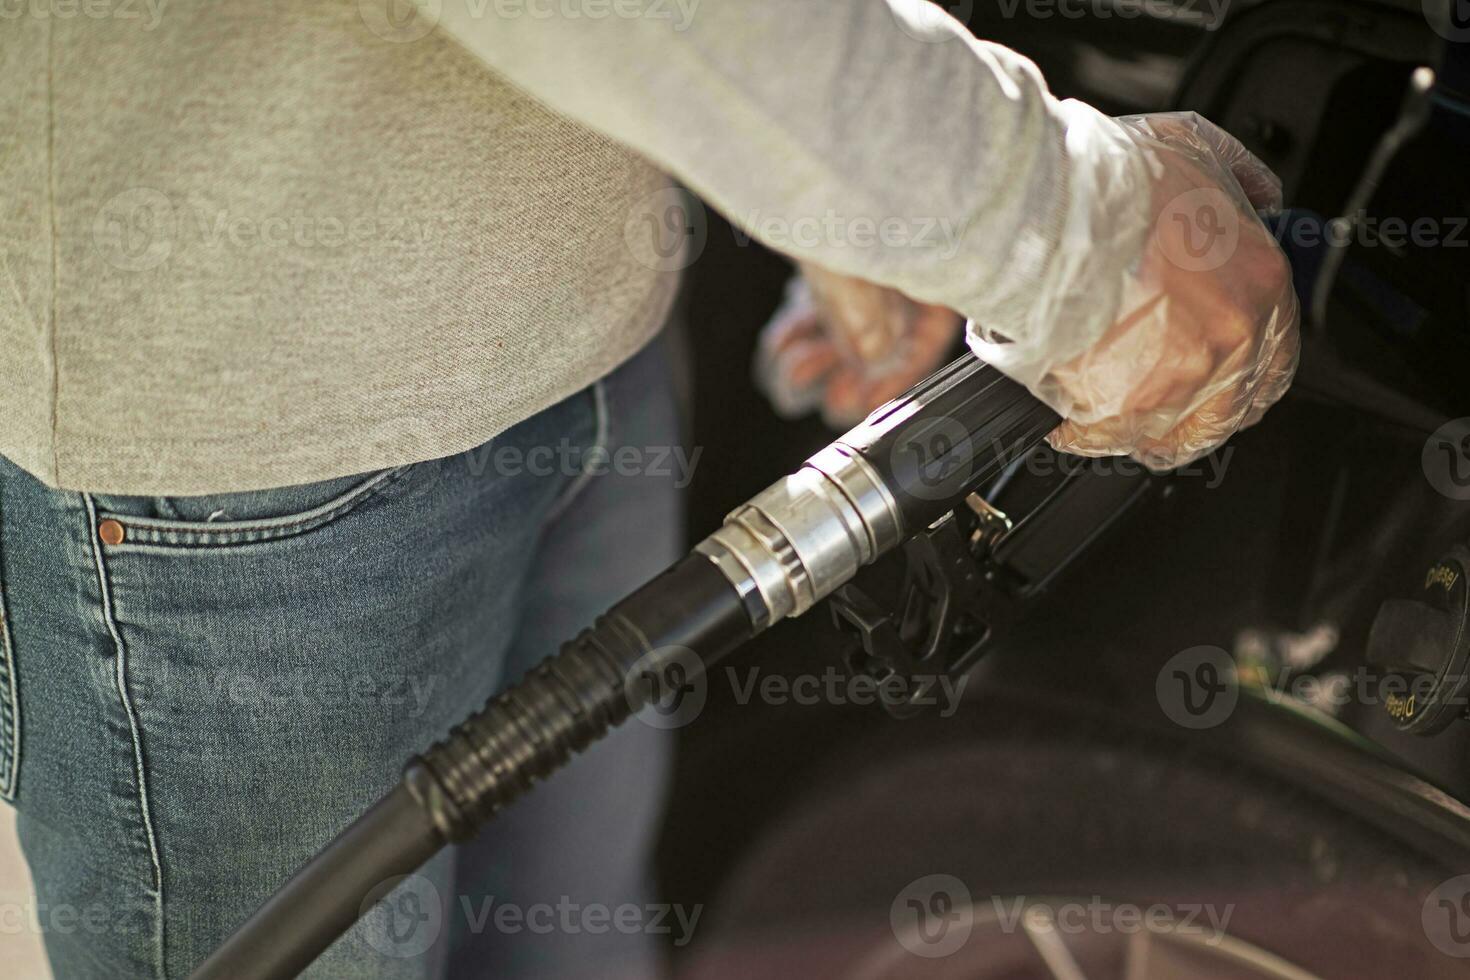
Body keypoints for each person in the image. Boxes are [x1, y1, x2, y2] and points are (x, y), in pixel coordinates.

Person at [0, 1, 1297, 977]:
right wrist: (1050, 224)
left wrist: (850, 178)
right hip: (251, 477)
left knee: (573, 945)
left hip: (585, 349)